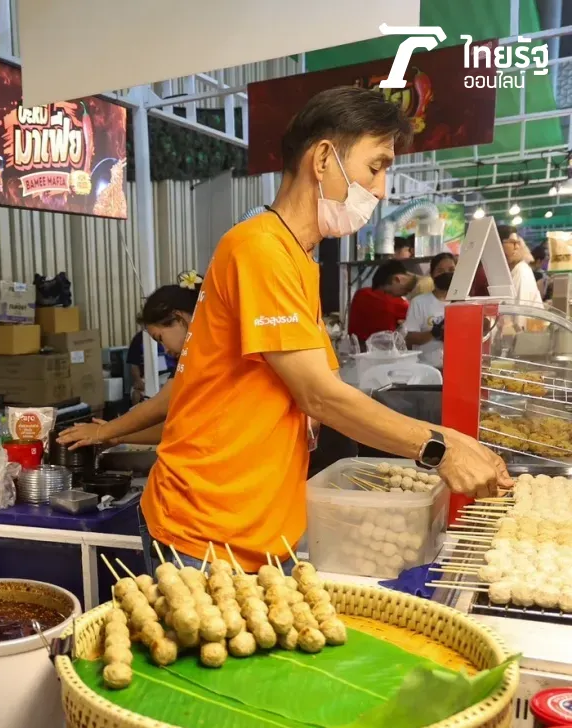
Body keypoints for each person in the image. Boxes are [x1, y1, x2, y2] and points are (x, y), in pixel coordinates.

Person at [139, 85, 509, 572]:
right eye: (375, 167)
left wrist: (451, 440)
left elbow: (321, 391)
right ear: (322, 160)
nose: (380, 190)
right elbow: (319, 396)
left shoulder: (297, 258)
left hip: (260, 526)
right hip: (205, 529)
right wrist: (439, 448)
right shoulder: (259, 249)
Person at [58, 283, 199, 449]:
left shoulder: (203, 351)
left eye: (160, 338)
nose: (166, 350)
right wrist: (118, 435)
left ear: (178, 318)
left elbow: (161, 405)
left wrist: (103, 431)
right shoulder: (191, 355)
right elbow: (176, 428)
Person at [347, 259, 415, 345]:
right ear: (397, 279)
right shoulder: (396, 302)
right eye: (389, 293)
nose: (404, 293)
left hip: (358, 351)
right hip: (381, 352)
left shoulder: (360, 293)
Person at [402, 271, 452, 369]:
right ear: (432, 274)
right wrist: (434, 333)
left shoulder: (463, 302)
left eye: (451, 268)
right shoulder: (419, 302)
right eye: (441, 269)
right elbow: (410, 338)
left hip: (455, 365)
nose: (446, 272)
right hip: (427, 366)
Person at [499, 225, 544, 308]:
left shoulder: (521, 271)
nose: (517, 247)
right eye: (512, 242)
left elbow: (520, 314)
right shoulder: (509, 272)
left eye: (518, 243)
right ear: (499, 244)